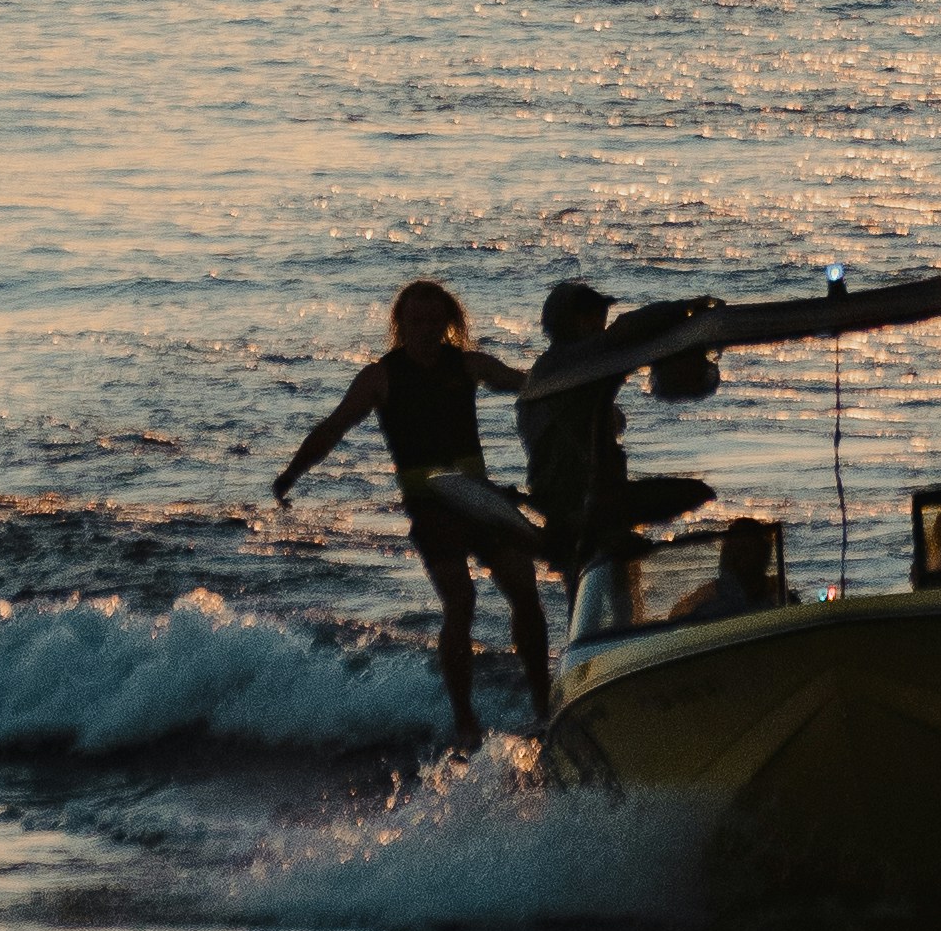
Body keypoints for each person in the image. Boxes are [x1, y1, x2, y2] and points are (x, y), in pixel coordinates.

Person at [272, 276, 550, 745]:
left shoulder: (467, 365)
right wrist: (291, 474)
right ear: (400, 324)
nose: (425, 329)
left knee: (524, 590)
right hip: (430, 507)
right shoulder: (380, 376)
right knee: (461, 601)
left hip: (479, 500)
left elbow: (529, 385)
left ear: (448, 324)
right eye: (415, 321)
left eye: (434, 321)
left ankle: (545, 705)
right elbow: (333, 427)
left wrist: (586, 397)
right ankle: (465, 720)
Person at [511, 277, 715, 613]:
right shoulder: (574, 362)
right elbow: (626, 330)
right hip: (577, 504)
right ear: (576, 321)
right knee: (691, 496)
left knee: (597, 586)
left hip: (573, 501)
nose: (601, 322)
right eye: (595, 316)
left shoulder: (554, 369)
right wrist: (686, 308)